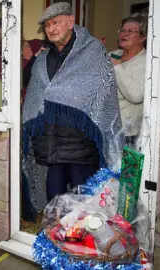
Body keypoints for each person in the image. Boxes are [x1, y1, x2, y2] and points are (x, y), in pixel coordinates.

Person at [22, 2, 123, 207]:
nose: (51, 29)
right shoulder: (42, 59)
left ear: (70, 21)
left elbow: (105, 93)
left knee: (84, 209)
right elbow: (33, 94)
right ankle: (56, 240)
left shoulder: (93, 51)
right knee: (54, 207)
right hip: (51, 148)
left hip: (81, 150)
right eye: (48, 25)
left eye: (56, 22)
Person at [110, 16, 147, 146]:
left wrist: (117, 67)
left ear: (142, 37)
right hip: (106, 127)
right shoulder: (114, 54)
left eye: (130, 31)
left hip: (127, 134)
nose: (124, 34)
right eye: (122, 30)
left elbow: (135, 95)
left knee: (122, 167)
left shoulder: (146, 62)